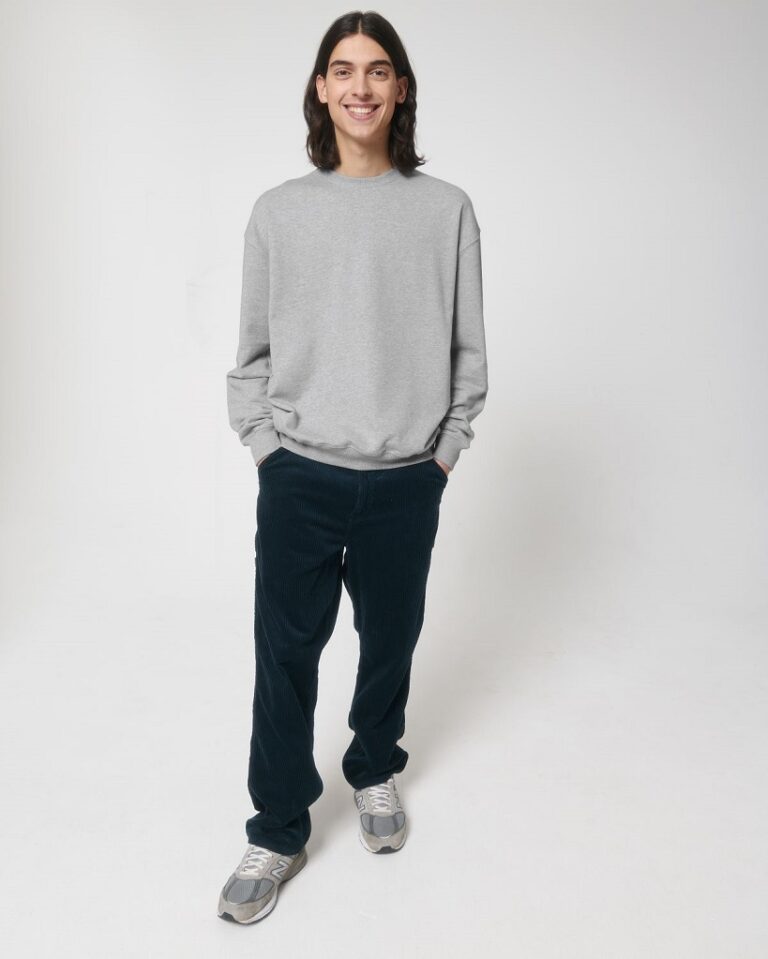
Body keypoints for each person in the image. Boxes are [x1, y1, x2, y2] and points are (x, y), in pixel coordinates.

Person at [218, 10, 488, 924]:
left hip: (408, 476)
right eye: (343, 69)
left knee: (390, 639)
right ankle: (278, 826)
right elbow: (251, 353)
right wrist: (266, 448)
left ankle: (374, 764)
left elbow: (467, 352)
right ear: (321, 88)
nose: (360, 86)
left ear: (400, 88)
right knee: (284, 654)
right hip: (300, 473)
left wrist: (443, 452)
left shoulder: (446, 209)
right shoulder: (279, 211)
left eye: (378, 70)